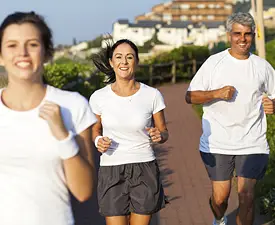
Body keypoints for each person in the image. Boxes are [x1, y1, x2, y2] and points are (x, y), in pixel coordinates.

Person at [0, 12, 97, 225]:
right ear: (0, 55)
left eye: (33, 44)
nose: (23, 53)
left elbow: (83, 191)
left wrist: (63, 137)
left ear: (45, 53)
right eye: (12, 45)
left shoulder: (73, 105)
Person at [185, 12, 275, 225]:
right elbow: (190, 96)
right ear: (229, 35)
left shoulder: (262, 67)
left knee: (247, 196)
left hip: (252, 142)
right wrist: (215, 93)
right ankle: (219, 219)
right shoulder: (214, 63)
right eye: (237, 34)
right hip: (218, 142)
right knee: (220, 197)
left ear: (253, 35)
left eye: (247, 34)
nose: (242, 39)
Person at [89, 39, 169, 225]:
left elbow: (164, 131)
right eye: (118, 57)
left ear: (137, 62)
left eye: (129, 57)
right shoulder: (99, 97)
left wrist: (160, 136)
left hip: (144, 166)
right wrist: (98, 140)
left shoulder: (152, 95)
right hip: (111, 169)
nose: (123, 62)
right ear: (111, 62)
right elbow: (95, 129)